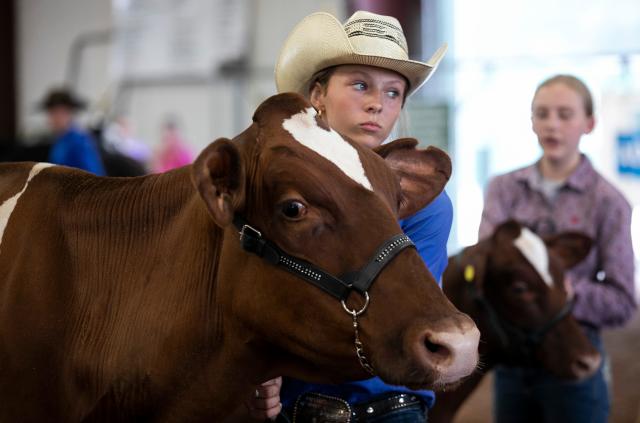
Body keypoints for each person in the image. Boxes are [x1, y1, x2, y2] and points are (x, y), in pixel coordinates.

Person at [246, 10, 452, 422]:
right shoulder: (281, 189)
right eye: (360, 85)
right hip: (297, 408)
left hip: (391, 409)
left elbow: (401, 316)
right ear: (318, 95)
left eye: (394, 93)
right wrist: (259, 373)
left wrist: (274, 356)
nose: (377, 103)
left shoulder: (426, 202)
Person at [478, 74, 636, 423]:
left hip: (575, 359)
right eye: (542, 114)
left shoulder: (609, 203)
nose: (552, 125)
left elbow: (623, 302)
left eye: (565, 114)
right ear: (531, 121)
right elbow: (487, 270)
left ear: (589, 124)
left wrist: (565, 293)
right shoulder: (504, 189)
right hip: (514, 361)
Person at [39, 87, 106, 175]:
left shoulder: (79, 141)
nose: (55, 118)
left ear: (69, 114)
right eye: (52, 113)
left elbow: (94, 175)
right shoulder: (59, 141)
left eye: (60, 113)